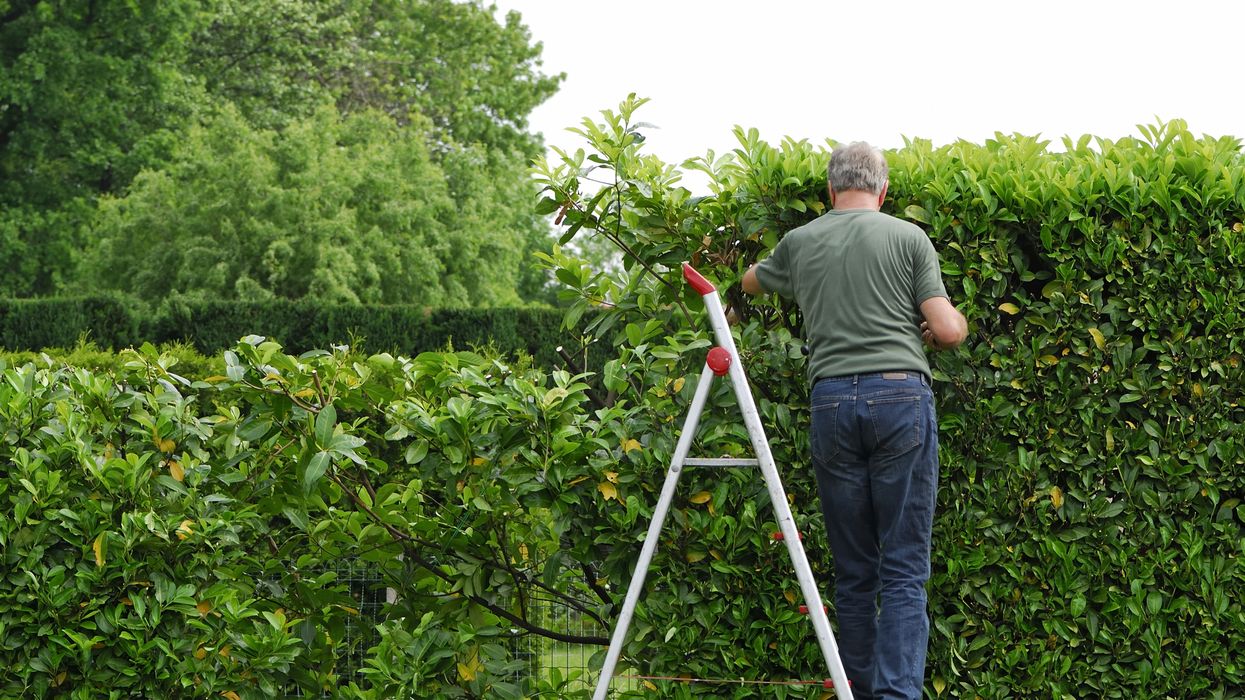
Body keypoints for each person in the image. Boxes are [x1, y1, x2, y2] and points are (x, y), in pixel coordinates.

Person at [740, 141, 967, 700]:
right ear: (883, 190)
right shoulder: (908, 238)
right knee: (905, 567)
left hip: (832, 401)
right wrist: (936, 329)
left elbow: (750, 283)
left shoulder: (801, 242)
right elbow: (951, 330)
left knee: (855, 570)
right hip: (900, 398)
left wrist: (785, 277)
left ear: (829, 189)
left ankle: (857, 692)